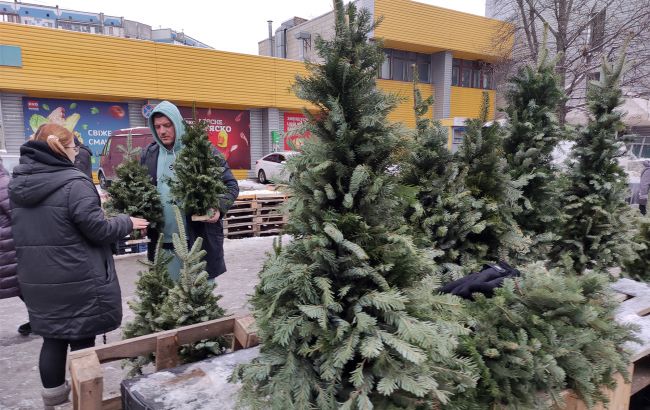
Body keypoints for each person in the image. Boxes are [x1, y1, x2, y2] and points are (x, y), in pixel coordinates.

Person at [9, 123, 148, 408]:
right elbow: (97, 230)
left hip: (38, 280)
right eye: (74, 147)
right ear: (62, 149)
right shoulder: (74, 183)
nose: (76, 153)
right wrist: (126, 222)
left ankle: (55, 400)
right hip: (77, 276)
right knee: (82, 341)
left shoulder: (19, 184)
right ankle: (86, 401)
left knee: (53, 337)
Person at [140, 101, 239, 281]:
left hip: (198, 246)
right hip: (163, 247)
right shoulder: (149, 154)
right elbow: (142, 191)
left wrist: (218, 207)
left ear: (177, 123)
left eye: (167, 125)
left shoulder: (202, 151)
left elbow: (231, 185)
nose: (162, 131)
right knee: (168, 305)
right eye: (158, 126)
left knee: (199, 306)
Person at [0, 159, 26, 335]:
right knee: (22, 283)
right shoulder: (3, 182)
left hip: (6, 244)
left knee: (21, 285)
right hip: (8, 243)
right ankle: (41, 319)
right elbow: (16, 212)